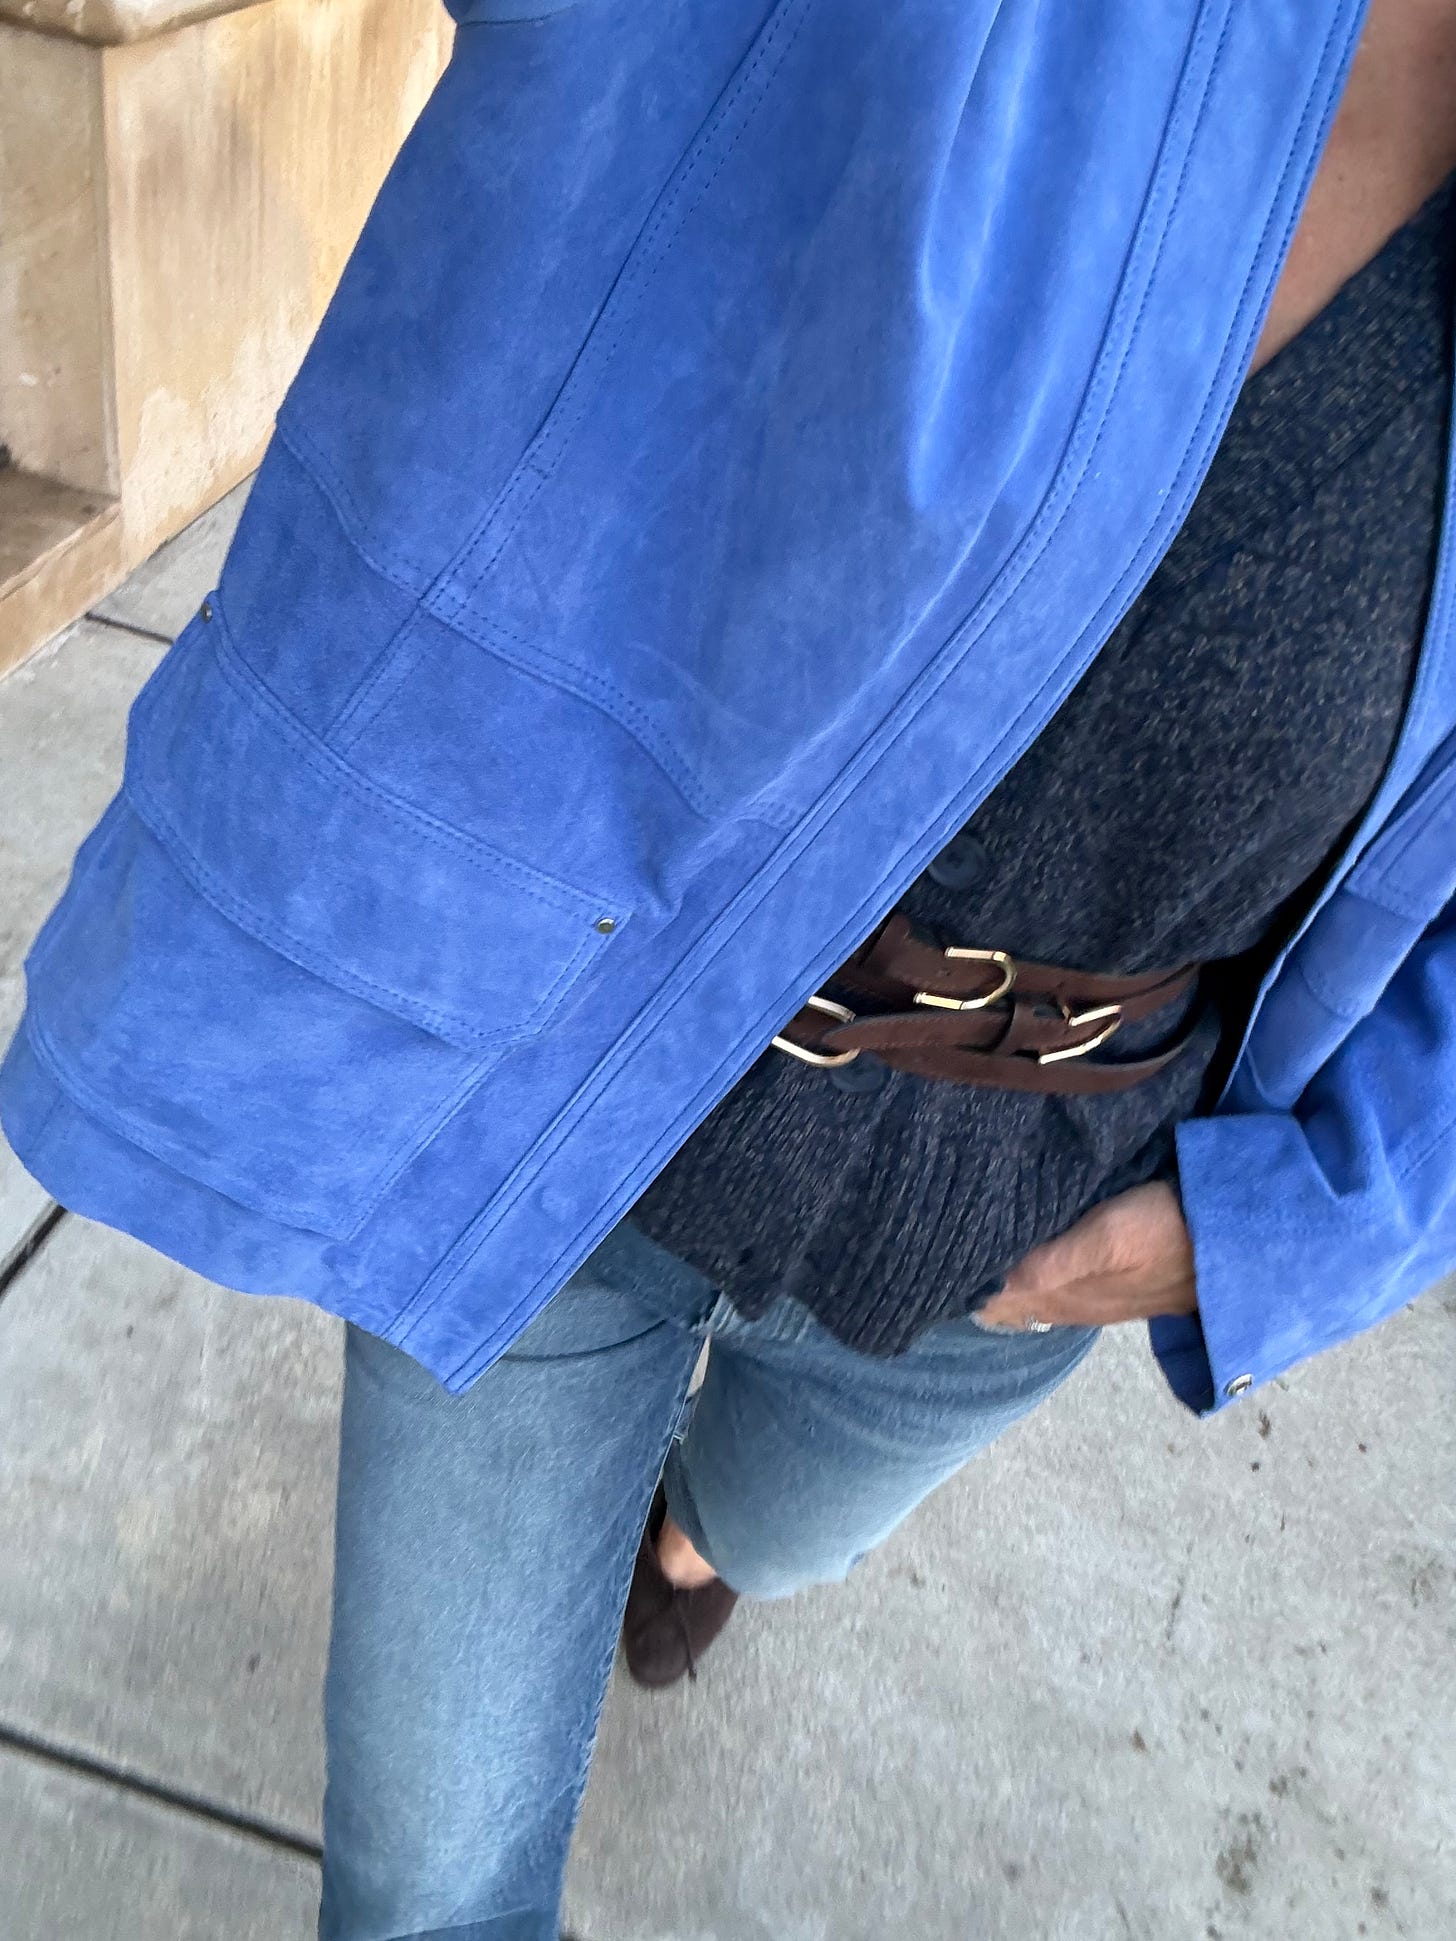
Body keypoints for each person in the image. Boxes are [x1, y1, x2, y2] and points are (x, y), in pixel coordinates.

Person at [2, 3, 1454, 1937]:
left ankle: (695, 1529)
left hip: (1026, 1223)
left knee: (778, 1521)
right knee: (430, 1879)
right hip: (564, 1102)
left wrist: (1322, 1212)